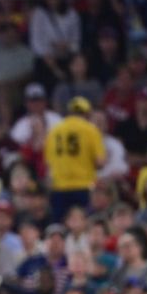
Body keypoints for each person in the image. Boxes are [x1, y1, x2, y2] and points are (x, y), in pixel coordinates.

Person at [43, 95, 105, 223]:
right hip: (83, 185)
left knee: (60, 225)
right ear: (87, 113)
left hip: (59, 186)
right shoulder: (91, 130)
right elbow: (100, 162)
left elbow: (48, 162)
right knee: (84, 224)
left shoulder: (54, 131)